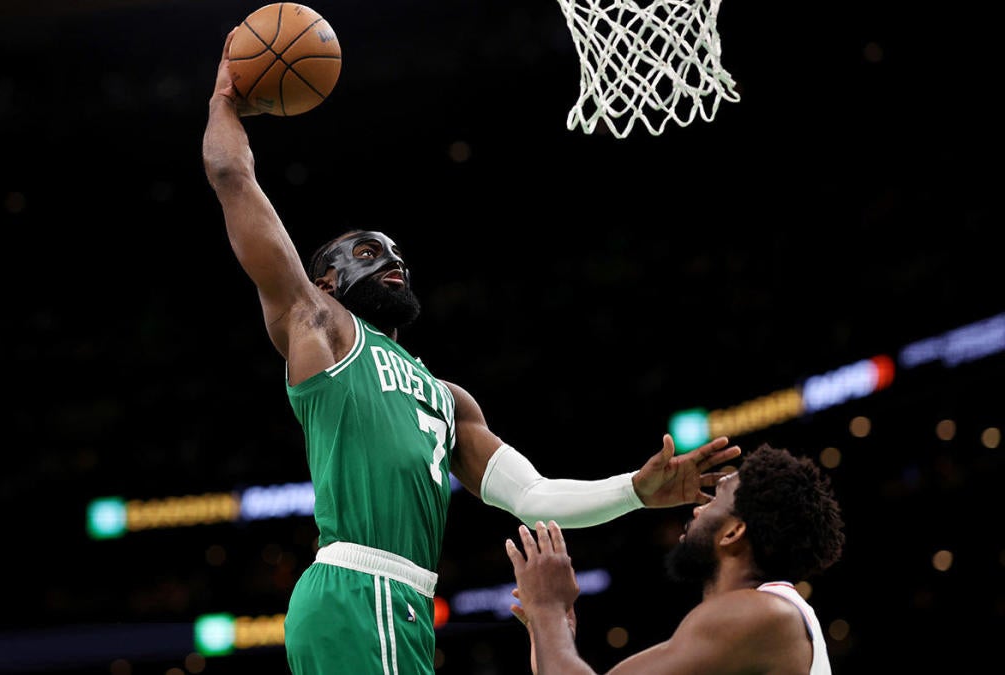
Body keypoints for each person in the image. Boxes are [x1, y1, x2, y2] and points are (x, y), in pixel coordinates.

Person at [201, 27, 742, 675]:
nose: (391, 262)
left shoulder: (448, 397)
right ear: (326, 282)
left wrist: (633, 489)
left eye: (397, 254)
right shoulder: (321, 326)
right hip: (358, 587)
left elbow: (536, 495)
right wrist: (225, 101)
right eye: (367, 254)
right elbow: (233, 175)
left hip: (400, 600)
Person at [506, 443, 845, 675]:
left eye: (714, 501)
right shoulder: (755, 625)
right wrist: (552, 634)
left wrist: (548, 608)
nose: (697, 509)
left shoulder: (767, 614)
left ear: (733, 533)